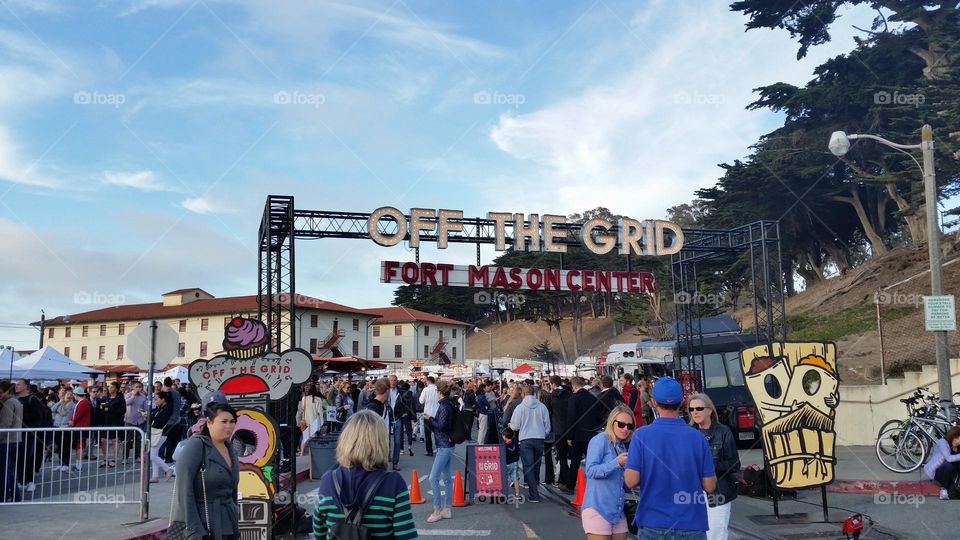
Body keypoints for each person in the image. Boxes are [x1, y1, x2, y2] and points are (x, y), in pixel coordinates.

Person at [625, 376, 716, 539]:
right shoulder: (697, 437)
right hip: (691, 524)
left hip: (652, 522)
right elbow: (709, 486)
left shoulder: (641, 436)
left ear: (653, 402)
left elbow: (631, 481)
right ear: (682, 402)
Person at [311, 410, 419, 540]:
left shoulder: (328, 480)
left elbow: (319, 532)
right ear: (380, 443)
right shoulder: (394, 484)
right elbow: (406, 535)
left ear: (345, 441)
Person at [169, 402, 240, 540]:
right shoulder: (196, 445)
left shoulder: (231, 449)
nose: (229, 426)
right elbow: (184, 489)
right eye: (224, 421)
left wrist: (235, 512)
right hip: (203, 523)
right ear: (209, 422)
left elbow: (232, 490)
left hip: (228, 522)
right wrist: (194, 529)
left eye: (232, 421)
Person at [689, 393, 739, 540]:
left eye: (699, 408)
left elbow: (734, 464)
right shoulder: (689, 433)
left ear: (709, 410)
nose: (695, 412)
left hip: (719, 492)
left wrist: (708, 466)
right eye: (691, 409)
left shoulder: (723, 432)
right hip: (693, 494)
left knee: (716, 534)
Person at [583, 404, 636, 540]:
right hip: (597, 509)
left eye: (629, 426)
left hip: (617, 511)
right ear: (612, 422)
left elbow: (621, 482)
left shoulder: (621, 446)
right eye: (621, 424)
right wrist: (616, 463)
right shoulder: (600, 440)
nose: (625, 429)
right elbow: (590, 471)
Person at [510, 384, 551, 502]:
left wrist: (510, 425)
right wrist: (544, 433)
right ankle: (535, 489)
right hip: (539, 438)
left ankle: (534, 494)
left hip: (525, 439)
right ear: (534, 393)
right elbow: (547, 425)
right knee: (536, 465)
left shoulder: (520, 407)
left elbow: (515, 426)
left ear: (523, 394)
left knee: (528, 466)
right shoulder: (542, 407)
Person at [423, 381, 456, 523]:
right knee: (447, 478)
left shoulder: (443, 406)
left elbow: (441, 426)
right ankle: (447, 509)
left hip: (443, 444)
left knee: (433, 478)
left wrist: (430, 419)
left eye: (437, 391)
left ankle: (437, 509)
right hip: (449, 444)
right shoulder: (449, 404)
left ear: (440, 392)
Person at [566, 377, 602, 492]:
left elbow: (571, 418)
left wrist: (569, 436)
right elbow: (598, 416)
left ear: (575, 386)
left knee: (575, 462)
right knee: (592, 461)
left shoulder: (573, 399)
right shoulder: (593, 398)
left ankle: (570, 485)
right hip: (591, 435)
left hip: (577, 435)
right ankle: (596, 485)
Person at [0, 380, 23, 502]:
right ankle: (15, 496)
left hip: (7, 441)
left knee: (4, 471)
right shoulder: (16, 401)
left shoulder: (8, 402)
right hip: (14, 439)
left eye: (1, 392)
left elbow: (5, 424)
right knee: (10, 470)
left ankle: (3, 497)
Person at [924, 425, 960, 500]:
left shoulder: (958, 445)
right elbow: (949, 458)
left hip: (950, 472)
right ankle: (944, 488)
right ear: (952, 437)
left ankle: (953, 489)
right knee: (949, 466)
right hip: (936, 472)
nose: (958, 441)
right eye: (957, 438)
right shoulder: (942, 442)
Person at [549, 376, 571, 491]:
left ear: (553, 384)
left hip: (557, 429)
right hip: (568, 428)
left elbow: (549, 412)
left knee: (561, 456)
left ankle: (563, 479)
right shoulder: (568, 394)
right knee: (569, 456)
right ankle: (568, 479)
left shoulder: (551, 396)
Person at [149, 391, 175, 483]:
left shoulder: (167, 408)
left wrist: (151, 417)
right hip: (158, 432)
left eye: (157, 399)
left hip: (162, 432)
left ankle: (167, 469)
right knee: (154, 454)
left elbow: (162, 420)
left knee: (152, 455)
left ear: (163, 399)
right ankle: (155, 476)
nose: (155, 401)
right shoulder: (160, 408)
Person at [99, 381, 126, 468]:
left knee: (115, 441)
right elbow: (102, 408)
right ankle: (105, 459)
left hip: (116, 422)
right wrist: (103, 408)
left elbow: (122, 410)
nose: (109, 389)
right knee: (103, 440)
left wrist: (109, 409)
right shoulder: (106, 398)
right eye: (109, 387)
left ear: (116, 389)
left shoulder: (120, 398)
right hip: (106, 422)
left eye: (111, 387)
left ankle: (114, 460)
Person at [52, 387, 76, 472]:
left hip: (66, 427)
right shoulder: (60, 403)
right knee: (59, 446)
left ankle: (66, 464)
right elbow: (52, 409)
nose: (69, 396)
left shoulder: (73, 405)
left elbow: (64, 412)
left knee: (66, 446)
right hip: (57, 426)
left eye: (71, 394)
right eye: (67, 394)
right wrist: (60, 402)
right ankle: (60, 464)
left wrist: (62, 404)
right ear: (64, 395)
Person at [68, 386, 92, 471]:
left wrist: (72, 421)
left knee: (80, 446)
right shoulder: (83, 402)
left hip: (81, 426)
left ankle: (79, 465)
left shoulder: (83, 403)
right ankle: (78, 465)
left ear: (76, 394)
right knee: (79, 446)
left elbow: (78, 415)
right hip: (80, 426)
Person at [297, 384, 326, 456]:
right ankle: (313, 452)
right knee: (314, 438)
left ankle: (302, 453)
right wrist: (322, 423)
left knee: (305, 438)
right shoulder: (318, 399)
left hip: (306, 421)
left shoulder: (304, 398)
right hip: (315, 421)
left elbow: (302, 409)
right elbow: (320, 412)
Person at [124, 381, 148, 463]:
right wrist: (133, 395)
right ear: (133, 388)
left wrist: (144, 412)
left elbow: (146, 408)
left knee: (138, 440)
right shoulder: (128, 395)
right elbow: (126, 403)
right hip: (130, 420)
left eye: (140, 387)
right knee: (127, 440)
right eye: (137, 387)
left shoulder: (143, 396)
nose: (139, 388)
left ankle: (137, 456)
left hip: (140, 420)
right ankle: (125, 457)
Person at [161, 377, 183, 464]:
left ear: (164, 384)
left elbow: (166, 408)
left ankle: (167, 459)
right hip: (177, 419)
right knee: (175, 441)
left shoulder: (166, 393)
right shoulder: (177, 393)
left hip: (169, 421)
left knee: (167, 441)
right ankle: (174, 458)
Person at [419, 376, 439, 457]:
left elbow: (421, 401)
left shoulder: (425, 389)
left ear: (427, 381)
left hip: (427, 414)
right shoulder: (437, 389)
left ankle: (429, 450)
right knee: (437, 433)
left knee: (428, 434)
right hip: (437, 414)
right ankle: (439, 449)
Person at [397, 382, 416, 457]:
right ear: (408, 388)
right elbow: (412, 406)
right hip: (408, 416)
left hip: (401, 416)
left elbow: (398, 405)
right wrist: (414, 417)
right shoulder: (411, 395)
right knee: (409, 432)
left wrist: (401, 413)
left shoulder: (399, 395)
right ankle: (409, 447)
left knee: (400, 433)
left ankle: (401, 449)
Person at [502, 427, 521, 497]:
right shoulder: (515, 441)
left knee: (504, 478)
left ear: (504, 437)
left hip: (506, 463)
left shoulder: (504, 445)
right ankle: (517, 494)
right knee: (516, 478)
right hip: (515, 462)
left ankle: (505, 494)